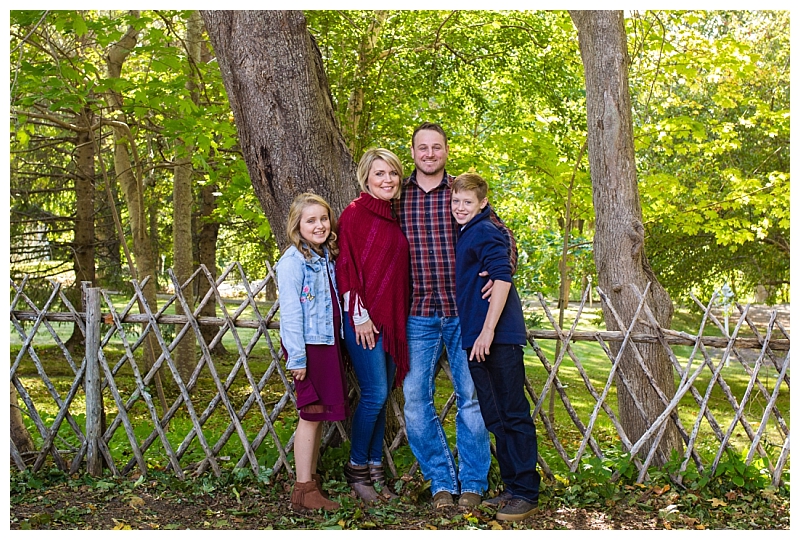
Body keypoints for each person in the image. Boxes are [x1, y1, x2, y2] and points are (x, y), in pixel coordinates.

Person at [395, 122, 518, 509]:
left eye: (437, 147)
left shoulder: (460, 194)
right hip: (417, 312)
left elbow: (504, 237)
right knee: (415, 400)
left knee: (472, 399)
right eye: (422, 147)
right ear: (412, 152)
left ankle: (473, 484)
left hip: (462, 312)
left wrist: (497, 272)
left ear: (446, 151)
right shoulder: (398, 196)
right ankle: (440, 481)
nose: (429, 153)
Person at [451, 172, 540, 521]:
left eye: (467, 202)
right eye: (456, 201)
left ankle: (526, 493)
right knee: (496, 415)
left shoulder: (486, 230)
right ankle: (512, 487)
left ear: (483, 203)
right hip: (476, 337)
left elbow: (502, 278)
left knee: (513, 413)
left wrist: (488, 331)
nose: (460, 207)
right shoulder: (468, 231)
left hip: (497, 337)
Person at [336, 148, 410, 502]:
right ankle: (356, 470)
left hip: (392, 320)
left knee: (382, 398)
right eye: (380, 174)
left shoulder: (397, 217)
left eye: (393, 173)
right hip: (362, 320)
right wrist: (360, 315)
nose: (387, 180)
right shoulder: (354, 214)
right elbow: (346, 267)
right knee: (375, 394)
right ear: (366, 178)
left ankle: (375, 468)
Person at [275, 193, 348, 513]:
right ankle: (303, 489)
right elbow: (290, 314)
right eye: (310, 220)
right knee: (310, 414)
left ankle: (310, 482)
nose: (319, 225)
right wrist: (298, 358)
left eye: (323, 219)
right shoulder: (293, 262)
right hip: (309, 348)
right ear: (297, 226)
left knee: (318, 416)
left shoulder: (324, 256)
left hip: (327, 344)